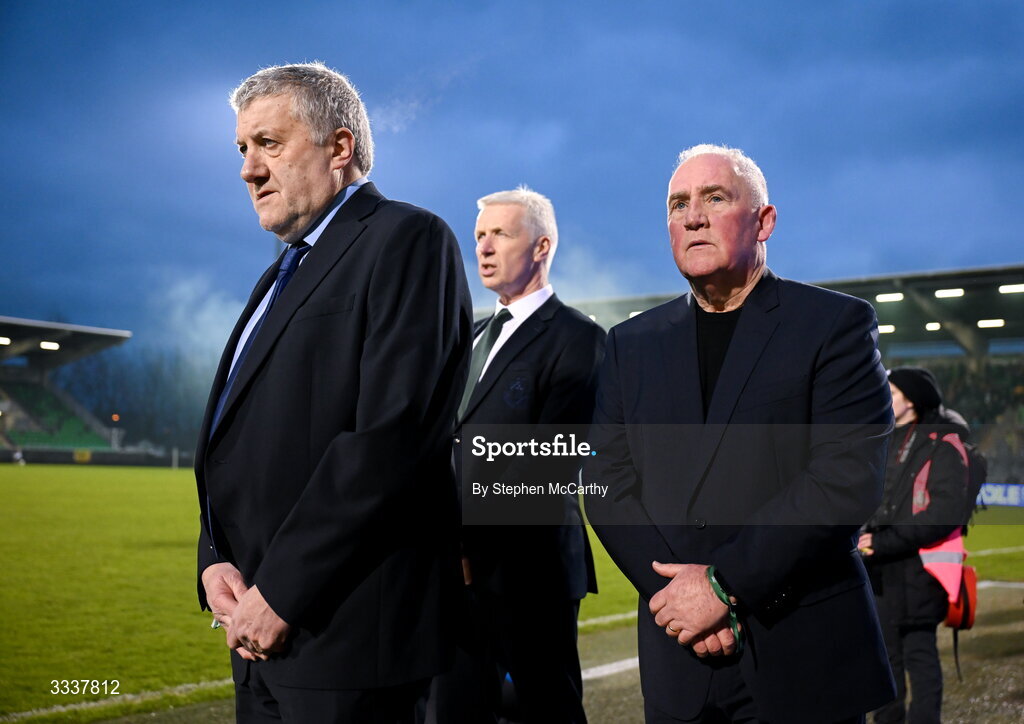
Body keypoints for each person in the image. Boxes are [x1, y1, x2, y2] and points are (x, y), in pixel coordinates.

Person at [194, 62, 473, 723]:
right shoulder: (279, 277)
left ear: (339, 148)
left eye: (269, 143)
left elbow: (389, 442)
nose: (247, 170)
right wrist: (214, 560)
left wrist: (283, 592)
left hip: (347, 636)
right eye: (242, 149)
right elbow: (241, 439)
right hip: (260, 630)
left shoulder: (407, 238)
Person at [584, 144, 897, 723]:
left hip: (801, 651)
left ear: (765, 221)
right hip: (681, 661)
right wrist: (679, 601)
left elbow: (845, 481)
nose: (693, 215)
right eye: (678, 204)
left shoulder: (833, 326)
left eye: (715, 198)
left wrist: (723, 586)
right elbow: (604, 480)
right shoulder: (631, 345)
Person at [428, 187, 605, 723]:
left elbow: (550, 461)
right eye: (479, 235)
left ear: (542, 246)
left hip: (530, 573)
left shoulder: (580, 339)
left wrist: (469, 545)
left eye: (500, 234)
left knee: (547, 710)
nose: (483, 246)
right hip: (457, 571)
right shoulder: (473, 336)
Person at [860, 367, 970, 724]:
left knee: (920, 662)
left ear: (912, 401)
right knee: (885, 664)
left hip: (919, 573)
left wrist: (883, 540)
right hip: (880, 573)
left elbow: (943, 513)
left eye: (892, 393)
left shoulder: (943, 444)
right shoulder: (882, 438)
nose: (884, 398)